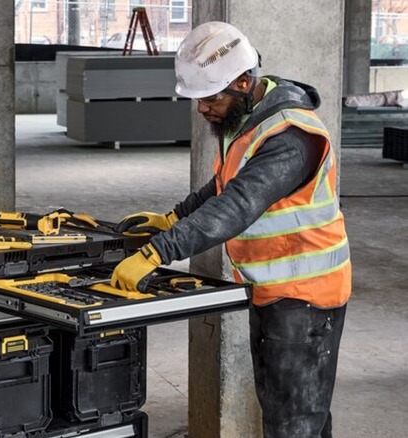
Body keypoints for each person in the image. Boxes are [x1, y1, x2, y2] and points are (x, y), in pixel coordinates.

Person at [110, 22, 350, 438]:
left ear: (243, 80)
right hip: (275, 292)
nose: (202, 108)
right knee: (293, 412)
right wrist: (174, 218)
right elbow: (225, 184)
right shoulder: (253, 119)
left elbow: (239, 205)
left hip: (306, 297)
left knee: (294, 422)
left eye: (211, 97)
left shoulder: (291, 136)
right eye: (198, 99)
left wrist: (158, 252)